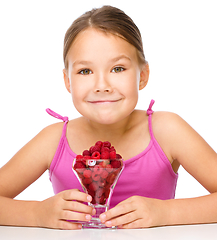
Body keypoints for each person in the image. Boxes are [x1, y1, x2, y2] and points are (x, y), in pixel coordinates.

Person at [0, 5, 217, 230]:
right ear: (67, 81)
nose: (102, 86)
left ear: (142, 76)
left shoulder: (167, 131)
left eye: (118, 68)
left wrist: (166, 212)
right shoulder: (53, 140)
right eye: (85, 71)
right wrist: (36, 214)